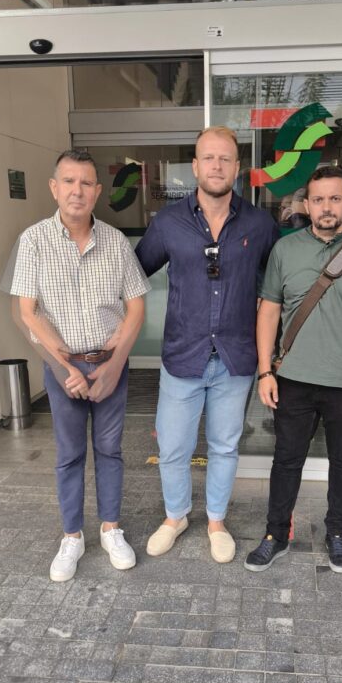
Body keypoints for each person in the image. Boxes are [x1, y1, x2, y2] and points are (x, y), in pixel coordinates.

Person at [245, 165, 342, 574]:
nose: (326, 207)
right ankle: (276, 534)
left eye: (334, 198)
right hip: (292, 379)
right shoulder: (285, 250)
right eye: (318, 200)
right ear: (307, 205)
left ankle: (337, 534)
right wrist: (265, 371)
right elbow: (268, 311)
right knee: (286, 460)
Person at [136, 127, 280, 563]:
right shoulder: (168, 223)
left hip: (235, 359)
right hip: (183, 357)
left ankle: (216, 521)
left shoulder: (259, 225)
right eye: (209, 158)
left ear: (237, 168)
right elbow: (132, 275)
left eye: (225, 159)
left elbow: (278, 286)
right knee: (173, 449)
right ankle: (175, 516)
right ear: (195, 166)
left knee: (224, 446)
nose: (217, 166)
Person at [10, 150, 150, 582]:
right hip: (63, 367)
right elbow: (27, 312)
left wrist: (115, 364)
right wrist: (63, 368)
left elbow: (137, 307)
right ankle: (72, 536)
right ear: (54, 188)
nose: (77, 190)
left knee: (109, 449)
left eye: (86, 183)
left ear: (98, 191)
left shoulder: (116, 242)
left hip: (110, 364)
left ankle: (110, 529)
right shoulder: (33, 240)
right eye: (69, 181)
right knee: (70, 454)